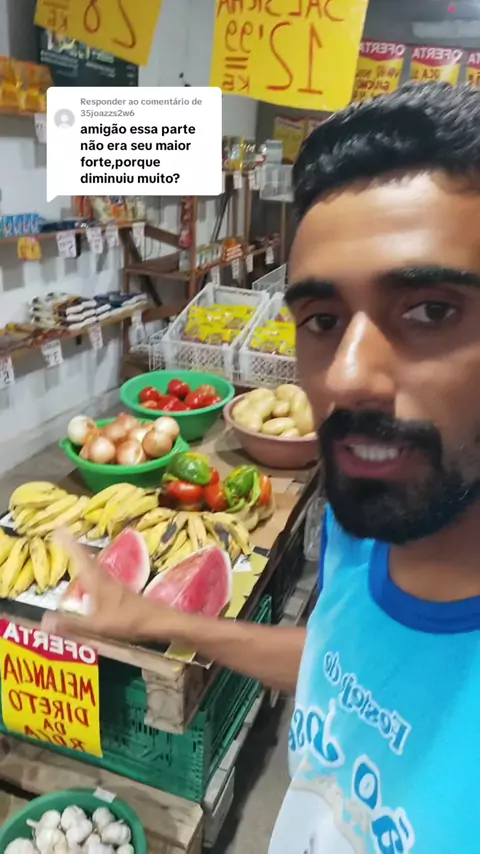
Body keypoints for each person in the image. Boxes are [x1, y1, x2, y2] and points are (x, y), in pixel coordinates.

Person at [44, 81, 480, 851]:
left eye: (431, 310)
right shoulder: (366, 527)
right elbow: (347, 666)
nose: (346, 375)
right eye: (322, 319)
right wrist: (156, 621)